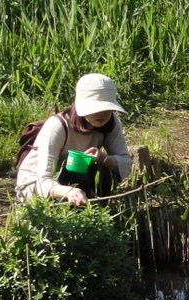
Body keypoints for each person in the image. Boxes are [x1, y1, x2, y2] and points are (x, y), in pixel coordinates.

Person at [16, 73, 133, 206]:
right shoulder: (58, 126)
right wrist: (68, 191)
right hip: (37, 186)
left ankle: (94, 209)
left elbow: (126, 164)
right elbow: (44, 180)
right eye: (96, 108)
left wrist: (102, 158)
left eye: (107, 108)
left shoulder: (111, 122)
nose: (102, 114)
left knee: (105, 173)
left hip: (75, 179)